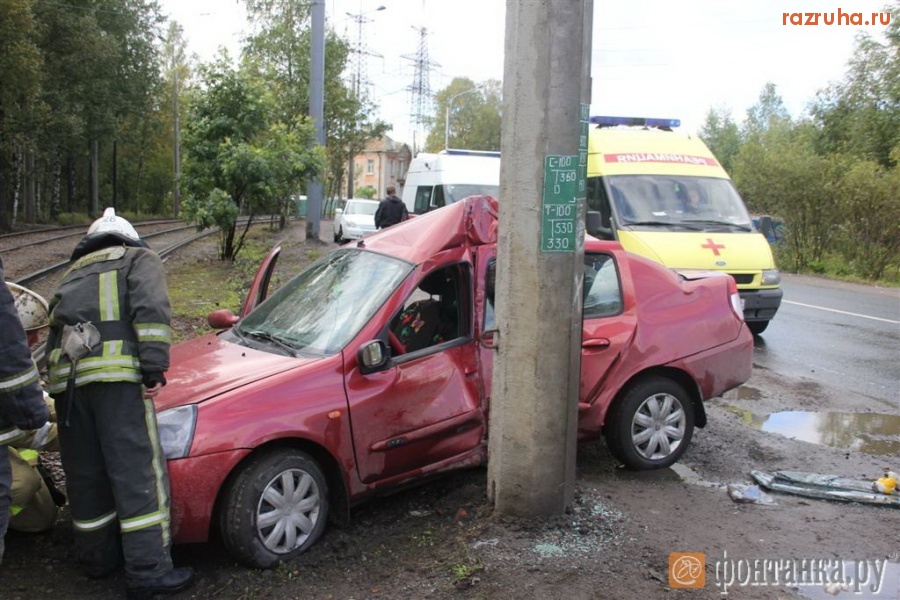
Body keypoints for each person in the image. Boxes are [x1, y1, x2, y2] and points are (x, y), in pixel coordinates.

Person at [44, 208, 194, 599]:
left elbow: (51, 338)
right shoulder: (138, 259)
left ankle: (97, 559)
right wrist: (153, 369)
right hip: (117, 385)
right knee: (137, 475)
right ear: (128, 238)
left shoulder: (70, 274)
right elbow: (153, 313)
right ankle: (148, 573)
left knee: (85, 476)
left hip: (68, 390)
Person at [0, 256, 49, 565]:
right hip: (13, 450)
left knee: (42, 517)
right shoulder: (9, 359)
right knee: (23, 486)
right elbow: (30, 419)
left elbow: (41, 401)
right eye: (31, 333)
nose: (36, 340)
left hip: (12, 454)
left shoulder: (18, 358)